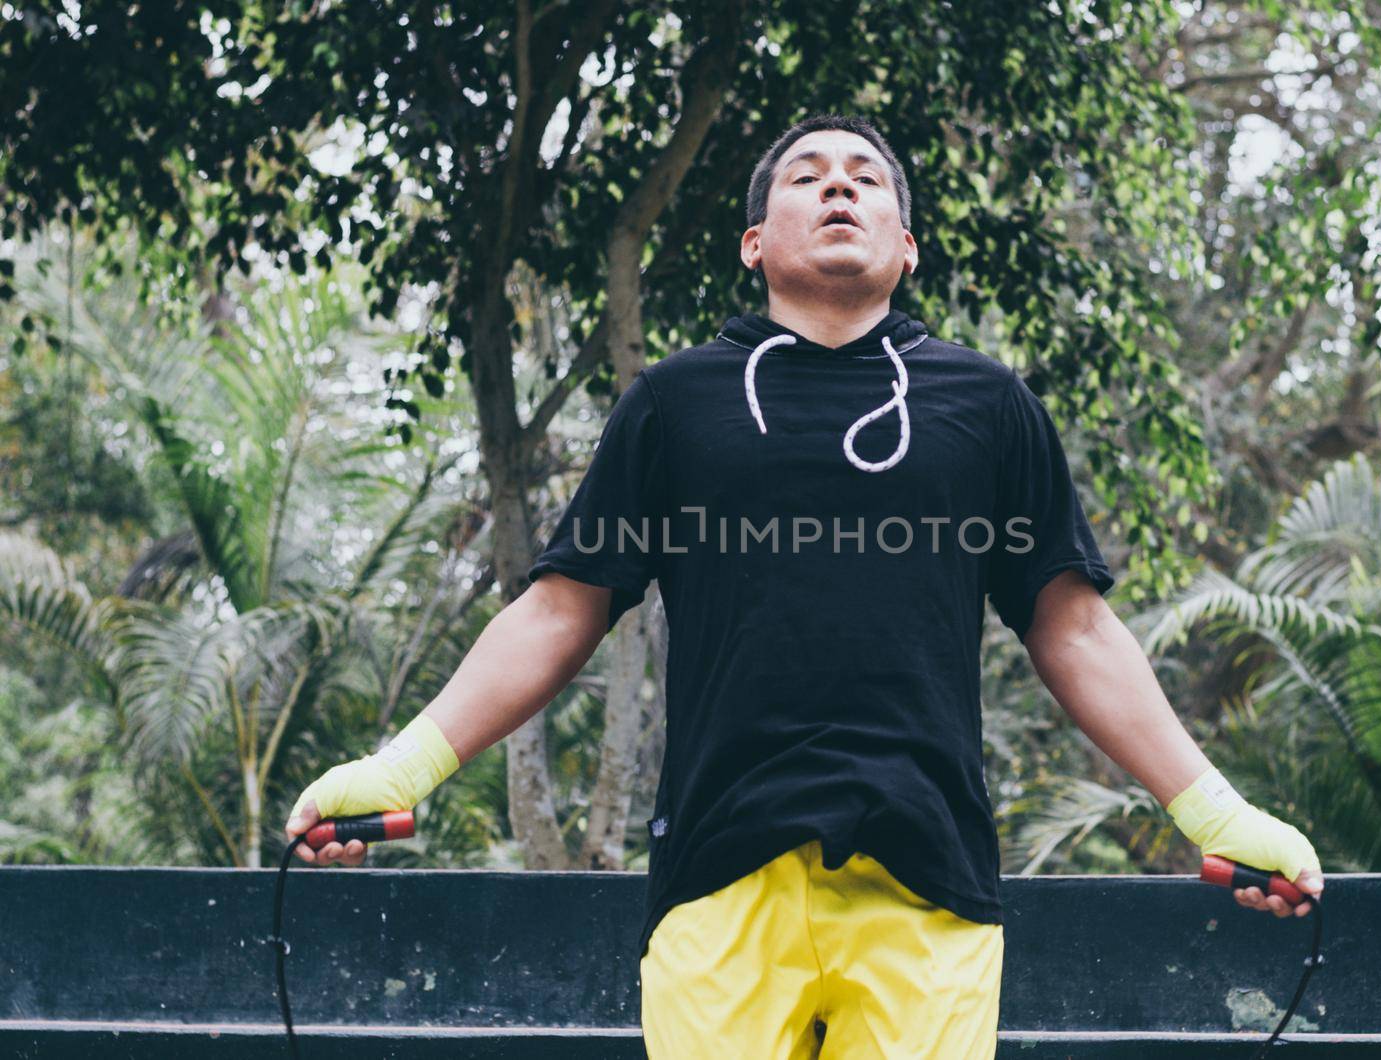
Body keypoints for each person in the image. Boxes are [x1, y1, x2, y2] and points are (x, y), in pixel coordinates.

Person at [285, 113, 1325, 1059]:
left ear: (906, 247)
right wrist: (403, 764)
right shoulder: (674, 402)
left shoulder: (988, 402)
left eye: (867, 179)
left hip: (931, 885)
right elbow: (562, 608)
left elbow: (1076, 628)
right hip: (719, 874)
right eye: (807, 176)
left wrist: (1215, 809)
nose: (839, 188)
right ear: (754, 243)